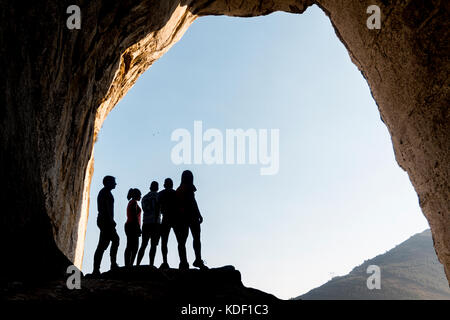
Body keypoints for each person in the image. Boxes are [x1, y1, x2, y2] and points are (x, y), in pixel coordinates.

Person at [174, 170, 208, 270]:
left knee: (182, 241)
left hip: (182, 217)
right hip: (191, 216)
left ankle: (183, 262)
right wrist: (198, 214)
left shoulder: (178, 189)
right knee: (196, 239)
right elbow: (193, 202)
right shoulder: (189, 187)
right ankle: (198, 260)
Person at [93, 175, 120, 275]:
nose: (115, 184)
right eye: (113, 181)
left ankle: (97, 269)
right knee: (113, 241)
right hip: (106, 221)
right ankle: (111, 264)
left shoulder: (104, 192)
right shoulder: (106, 193)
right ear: (107, 182)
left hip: (103, 221)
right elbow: (107, 208)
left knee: (103, 244)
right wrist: (111, 221)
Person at [136, 181, 161, 267]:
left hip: (146, 222)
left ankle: (137, 264)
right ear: (157, 188)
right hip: (155, 223)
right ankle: (151, 264)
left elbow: (144, 209)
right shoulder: (158, 196)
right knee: (153, 245)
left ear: (150, 187)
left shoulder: (144, 198)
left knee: (143, 245)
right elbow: (159, 209)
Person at [158, 178, 177, 269]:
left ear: (165, 185)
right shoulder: (175, 193)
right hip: (175, 217)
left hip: (165, 217)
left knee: (164, 241)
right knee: (180, 241)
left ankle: (165, 261)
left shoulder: (161, 194)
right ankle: (183, 261)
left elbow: (158, 207)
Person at [124, 188, 142, 267]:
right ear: (136, 195)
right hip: (132, 226)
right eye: (140, 195)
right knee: (134, 247)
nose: (141, 197)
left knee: (130, 246)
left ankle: (128, 264)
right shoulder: (134, 203)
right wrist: (138, 228)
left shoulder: (131, 202)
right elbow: (134, 216)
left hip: (129, 225)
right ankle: (129, 264)